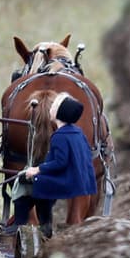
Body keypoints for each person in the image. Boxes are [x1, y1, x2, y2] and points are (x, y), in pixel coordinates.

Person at [12, 92, 97, 237]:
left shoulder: (59, 136)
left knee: (25, 183)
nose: (50, 108)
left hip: (66, 181)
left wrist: (37, 169)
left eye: (54, 106)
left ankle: (23, 224)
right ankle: (44, 223)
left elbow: (60, 162)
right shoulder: (77, 132)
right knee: (41, 184)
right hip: (79, 181)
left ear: (59, 113)